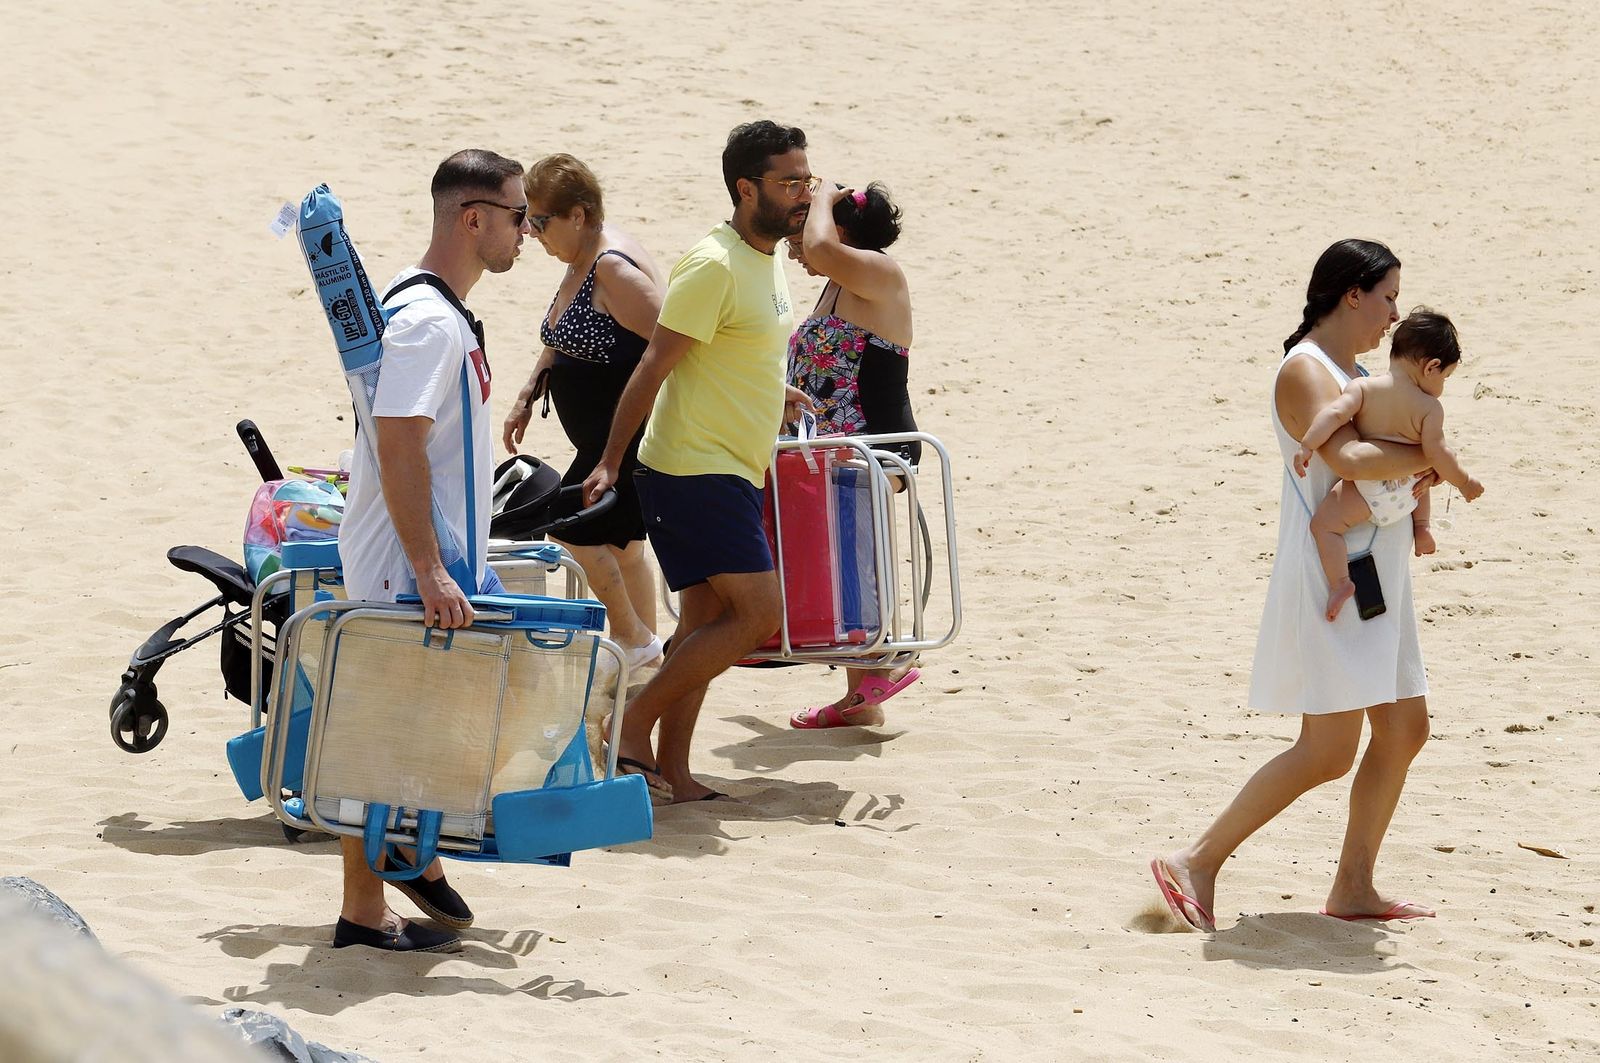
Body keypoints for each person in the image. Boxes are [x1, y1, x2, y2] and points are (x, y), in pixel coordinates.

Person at [1152, 239, 1442, 932]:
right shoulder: (1304, 371)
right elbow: (1347, 458)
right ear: (1352, 294)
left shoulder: (1359, 371)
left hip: (1374, 574)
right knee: (1328, 749)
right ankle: (1195, 859)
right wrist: (1434, 448)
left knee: (1404, 728)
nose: (1395, 312)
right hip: (1333, 577)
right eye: (1388, 295)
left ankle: (1354, 884)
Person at [582, 120, 816, 803]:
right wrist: (609, 460)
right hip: (691, 468)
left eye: (808, 179)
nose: (803, 193)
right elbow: (655, 364)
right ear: (747, 189)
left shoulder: (766, 257)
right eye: (789, 182)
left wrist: (775, 391)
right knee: (756, 614)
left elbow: (738, 349)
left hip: (732, 466)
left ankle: (674, 773)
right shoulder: (712, 263)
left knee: (702, 623)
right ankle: (631, 723)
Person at [334, 148, 530, 951]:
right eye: (521, 216)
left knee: (398, 729)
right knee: (384, 733)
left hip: (410, 556)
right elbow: (400, 440)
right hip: (399, 563)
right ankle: (381, 888)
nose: (529, 231)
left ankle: (387, 879)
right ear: (471, 216)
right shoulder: (426, 321)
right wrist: (428, 565)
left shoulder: (436, 314)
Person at [502, 153, 667, 671]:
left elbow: (678, 341)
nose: (531, 233)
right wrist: (529, 391)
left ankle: (633, 635)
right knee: (622, 548)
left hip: (622, 439)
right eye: (526, 220)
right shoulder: (579, 257)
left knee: (566, 530)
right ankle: (644, 654)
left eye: (540, 221)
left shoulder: (613, 268)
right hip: (598, 438)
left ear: (578, 214)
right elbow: (561, 336)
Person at [784, 181, 922, 729]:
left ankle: (882, 661)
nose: (795, 248)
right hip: (835, 450)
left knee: (849, 550)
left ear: (839, 231)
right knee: (837, 553)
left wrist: (823, 195)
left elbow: (818, 249)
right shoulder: (836, 287)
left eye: (800, 233)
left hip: (875, 444)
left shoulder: (879, 273)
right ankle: (862, 692)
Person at [1293, 309, 1486, 620]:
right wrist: (1463, 482)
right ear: (1431, 367)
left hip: (1366, 491)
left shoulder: (1363, 388)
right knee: (1423, 478)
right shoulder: (1429, 408)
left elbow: (1332, 416)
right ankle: (1422, 529)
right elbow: (1438, 455)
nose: (1443, 385)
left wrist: (1307, 445)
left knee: (1324, 526)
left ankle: (1340, 583)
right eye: (1445, 378)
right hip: (1408, 493)